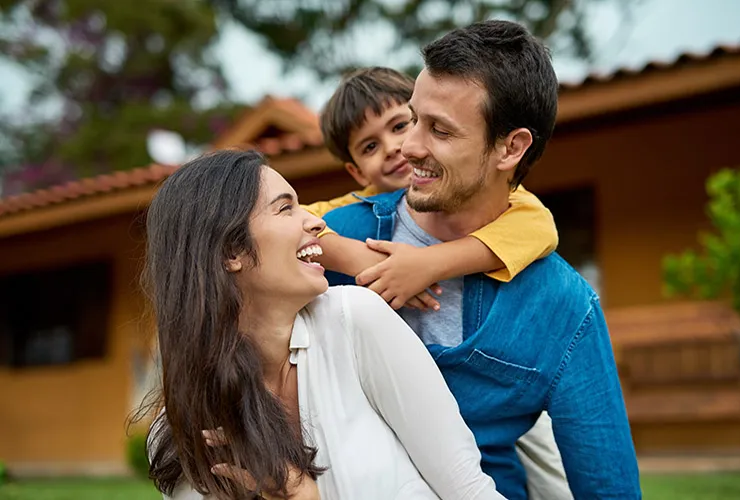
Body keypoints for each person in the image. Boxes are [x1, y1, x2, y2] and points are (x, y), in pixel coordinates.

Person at [322, 20, 642, 499]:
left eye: (440, 131)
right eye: (414, 118)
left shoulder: (563, 307)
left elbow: (608, 486)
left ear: (510, 148)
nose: (407, 149)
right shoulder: (336, 235)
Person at [142, 149, 508, 500]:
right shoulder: (179, 434)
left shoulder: (355, 320)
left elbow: (469, 489)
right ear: (230, 253)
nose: (316, 222)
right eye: (285, 208)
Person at [305, 67, 571, 499]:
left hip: (503, 384)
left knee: (554, 478)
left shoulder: (491, 191)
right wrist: (354, 254)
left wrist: (428, 264)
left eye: (399, 125)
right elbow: (288, 221)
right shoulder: (360, 210)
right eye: (370, 145)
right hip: (424, 389)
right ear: (357, 172)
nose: (393, 148)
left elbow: (540, 225)